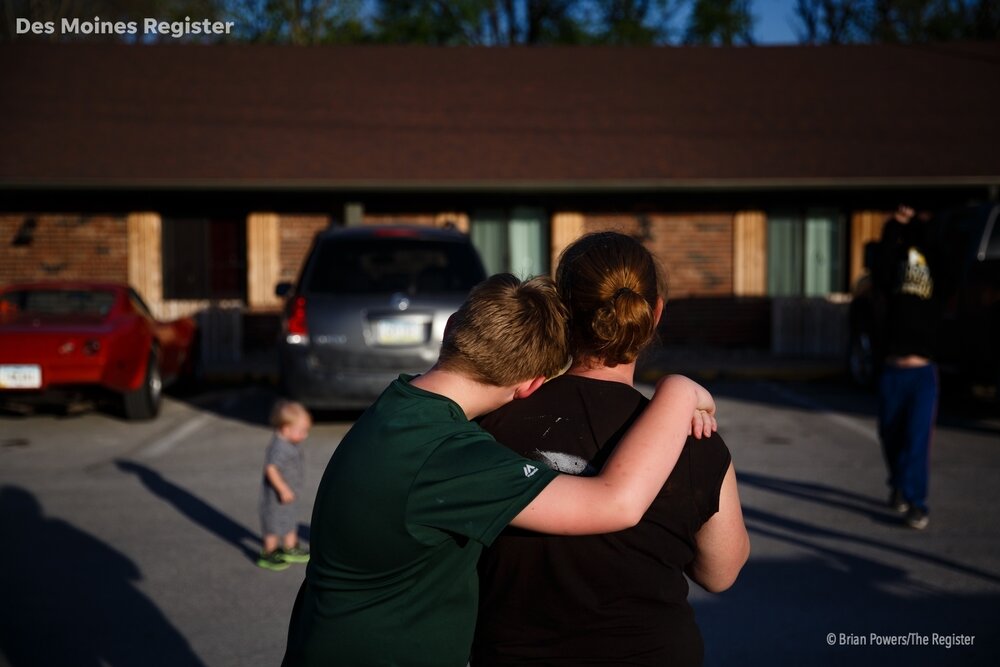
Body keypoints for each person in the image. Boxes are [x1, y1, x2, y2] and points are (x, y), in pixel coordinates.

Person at [281, 273, 718, 667]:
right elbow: (616, 503)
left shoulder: (402, 404)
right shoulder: (448, 456)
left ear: (454, 327)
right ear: (531, 385)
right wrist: (677, 392)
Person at [471, 232, 750, 667]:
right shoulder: (693, 438)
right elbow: (722, 572)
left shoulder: (490, 423)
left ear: (560, 312)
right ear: (654, 313)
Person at [872, 205, 942, 530]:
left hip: (922, 371)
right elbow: (880, 273)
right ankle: (899, 482)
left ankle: (917, 502)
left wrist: (927, 225)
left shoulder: (939, 262)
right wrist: (892, 228)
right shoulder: (894, 260)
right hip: (892, 369)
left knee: (916, 439)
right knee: (890, 434)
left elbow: (951, 265)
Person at [258, 399, 312, 571]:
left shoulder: (290, 442)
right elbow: (271, 469)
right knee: (273, 523)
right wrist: (282, 488)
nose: (306, 435)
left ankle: (290, 547)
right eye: (302, 431)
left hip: (289, 495)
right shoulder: (279, 447)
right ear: (286, 429)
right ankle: (269, 551)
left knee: (289, 520)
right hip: (277, 497)